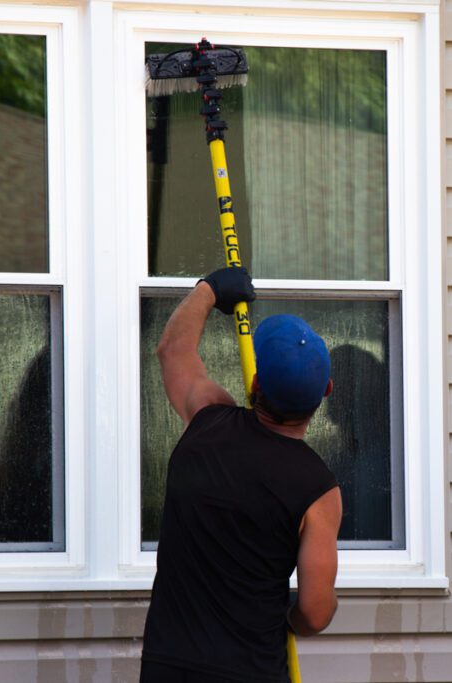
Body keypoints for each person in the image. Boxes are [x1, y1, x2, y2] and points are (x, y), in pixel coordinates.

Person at [140, 267, 343, 683]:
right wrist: (291, 617)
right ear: (326, 391)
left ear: (254, 381)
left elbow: (172, 350)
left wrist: (209, 289)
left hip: (168, 666)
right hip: (253, 669)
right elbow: (315, 612)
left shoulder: (207, 422)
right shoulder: (318, 490)